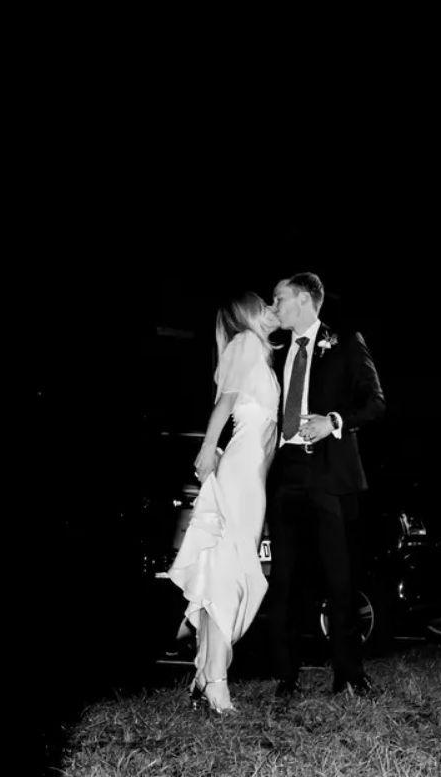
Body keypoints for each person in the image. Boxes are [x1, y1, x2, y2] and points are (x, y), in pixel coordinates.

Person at [267, 272, 386, 699]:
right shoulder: (274, 350)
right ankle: (285, 677)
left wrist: (333, 421)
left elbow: (375, 403)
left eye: (279, 298)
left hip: (329, 474)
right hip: (286, 473)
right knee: (285, 579)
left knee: (340, 579)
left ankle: (349, 675)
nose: (273, 306)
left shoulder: (345, 341)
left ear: (302, 300)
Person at [168, 292, 280, 714]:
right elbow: (226, 400)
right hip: (239, 476)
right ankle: (215, 681)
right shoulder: (246, 344)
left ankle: (204, 674)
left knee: (228, 574)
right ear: (248, 316)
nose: (272, 311)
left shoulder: (259, 356)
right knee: (228, 577)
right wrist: (207, 447)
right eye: (265, 306)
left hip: (252, 480)